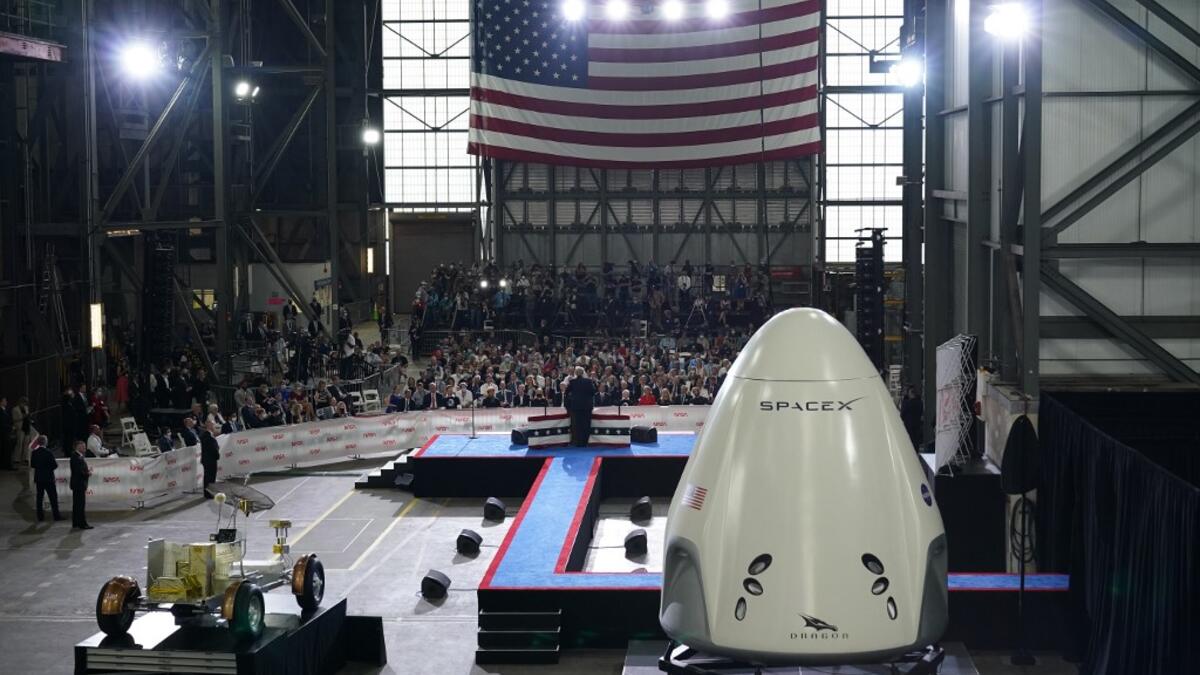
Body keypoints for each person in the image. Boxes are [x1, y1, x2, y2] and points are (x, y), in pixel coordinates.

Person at [30, 436, 62, 522]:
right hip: (48, 478)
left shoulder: (34, 453)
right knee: (53, 498)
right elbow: (54, 465)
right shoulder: (48, 452)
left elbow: (32, 465)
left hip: (39, 478)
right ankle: (56, 516)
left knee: (39, 498)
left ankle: (40, 517)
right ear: (45, 442)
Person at [564, 366, 596, 446]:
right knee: (586, 424)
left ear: (575, 373)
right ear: (583, 373)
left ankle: (577, 442)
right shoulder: (588, 381)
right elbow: (593, 392)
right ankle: (585, 442)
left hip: (576, 407)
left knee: (576, 425)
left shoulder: (572, 382)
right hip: (587, 407)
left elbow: (566, 393)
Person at [68, 440, 93, 529]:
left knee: (77, 505)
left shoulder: (77, 456)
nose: (85, 448)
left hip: (77, 484)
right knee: (80, 505)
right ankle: (82, 524)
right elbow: (78, 472)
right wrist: (87, 473)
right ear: (78, 447)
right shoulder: (76, 457)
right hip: (79, 484)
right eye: (83, 446)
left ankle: (76, 523)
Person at [900, 386, 924, 451]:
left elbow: (902, 415)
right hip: (917, 426)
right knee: (916, 444)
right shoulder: (920, 403)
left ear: (908, 393)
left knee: (909, 445)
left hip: (908, 427)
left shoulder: (906, 403)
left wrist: (904, 399)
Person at [200, 422, 220, 500]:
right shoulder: (206, 436)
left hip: (210, 459)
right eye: (212, 425)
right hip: (209, 459)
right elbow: (212, 448)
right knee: (209, 477)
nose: (214, 426)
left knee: (210, 477)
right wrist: (216, 454)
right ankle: (209, 493)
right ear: (209, 426)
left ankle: (209, 492)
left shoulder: (209, 435)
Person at [11, 397, 33, 467]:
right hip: (20, 428)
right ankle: (16, 459)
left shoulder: (26, 408)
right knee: (19, 443)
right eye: (23, 403)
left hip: (27, 427)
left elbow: (27, 417)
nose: (24, 405)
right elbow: (14, 419)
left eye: (25, 403)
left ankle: (25, 459)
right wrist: (23, 417)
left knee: (26, 444)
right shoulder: (15, 409)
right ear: (20, 402)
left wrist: (29, 418)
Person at [0, 396, 11, 470]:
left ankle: (6, 465)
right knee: (5, 449)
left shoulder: (5, 410)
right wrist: (10, 427)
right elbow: (1, 423)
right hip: (2, 433)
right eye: (4, 401)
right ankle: (6, 466)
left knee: (6, 449)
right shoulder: (0, 411)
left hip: (5, 432)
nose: (6, 402)